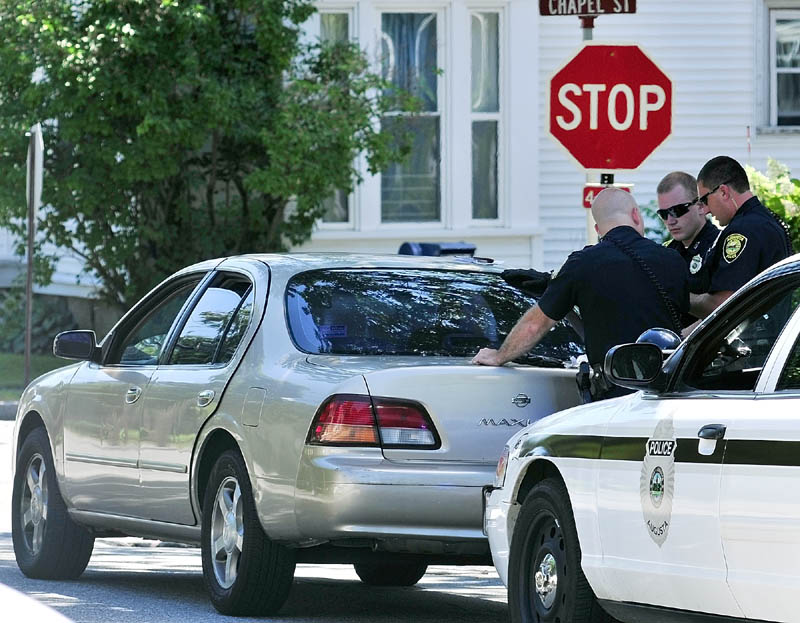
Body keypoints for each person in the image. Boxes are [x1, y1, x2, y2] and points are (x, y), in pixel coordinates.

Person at [472, 188, 689, 401]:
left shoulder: (583, 264)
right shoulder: (673, 261)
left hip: (614, 402)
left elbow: (535, 325)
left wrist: (499, 355)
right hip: (669, 395)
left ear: (597, 228)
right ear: (635, 214)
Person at [689, 156, 793, 321]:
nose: (706, 210)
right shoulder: (764, 221)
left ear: (723, 191)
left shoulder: (741, 231)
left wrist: (682, 298)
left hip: (755, 342)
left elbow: (724, 306)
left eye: (705, 200)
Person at [657, 171, 719, 326]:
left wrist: (685, 338)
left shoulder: (719, 246)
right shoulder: (667, 252)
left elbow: (725, 308)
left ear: (700, 206)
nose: (670, 221)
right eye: (663, 214)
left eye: (677, 210)